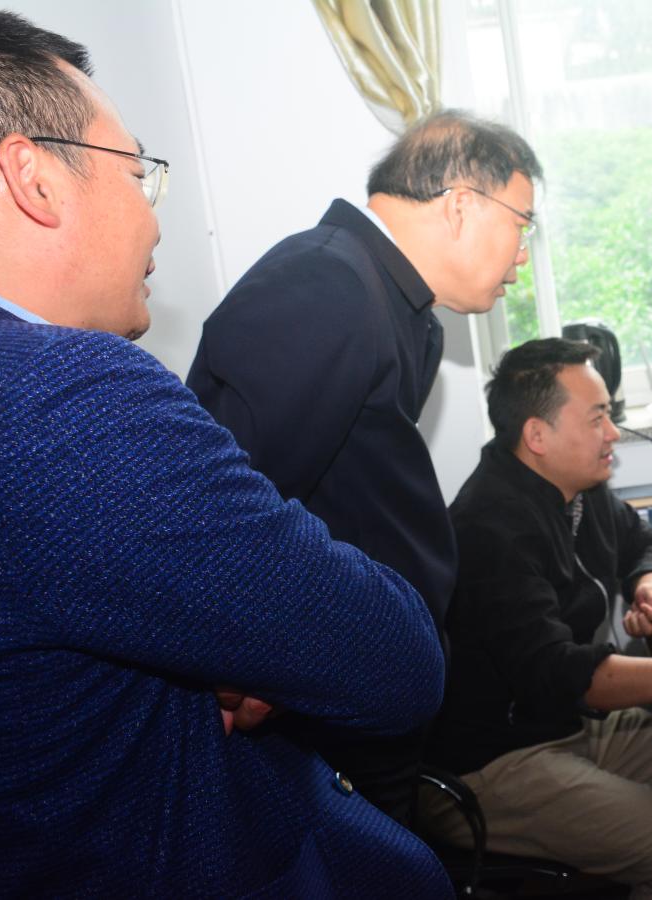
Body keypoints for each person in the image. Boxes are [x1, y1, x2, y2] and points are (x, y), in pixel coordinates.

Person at [0, 3, 449, 895]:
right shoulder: (65, 397)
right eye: (136, 172)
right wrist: (246, 644)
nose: (153, 222)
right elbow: (393, 661)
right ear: (33, 179)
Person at [185, 109, 541, 821]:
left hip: (362, 682)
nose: (523, 256)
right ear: (461, 205)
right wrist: (246, 668)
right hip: (316, 697)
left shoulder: (396, 303)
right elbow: (226, 511)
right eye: (520, 224)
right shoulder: (326, 282)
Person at [419, 338, 652, 899]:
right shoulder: (489, 529)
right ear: (537, 436)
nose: (614, 433)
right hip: (493, 762)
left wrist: (651, 585)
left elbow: (646, 543)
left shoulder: (577, 490)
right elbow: (561, 672)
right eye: (597, 417)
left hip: (568, 724)